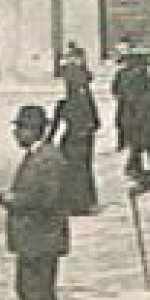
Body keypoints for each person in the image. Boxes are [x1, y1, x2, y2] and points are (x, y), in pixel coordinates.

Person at [0, 105, 70, 300]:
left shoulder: (48, 158)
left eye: (20, 128)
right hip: (33, 238)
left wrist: (14, 200)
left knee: (38, 292)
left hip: (42, 237)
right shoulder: (36, 155)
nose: (16, 134)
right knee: (30, 292)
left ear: (32, 130)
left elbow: (48, 199)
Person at [49, 70, 102, 215]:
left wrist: (48, 141)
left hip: (73, 141)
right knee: (82, 172)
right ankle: (84, 203)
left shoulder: (65, 104)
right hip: (81, 142)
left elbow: (54, 127)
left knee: (74, 172)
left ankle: (76, 204)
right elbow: (97, 123)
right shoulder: (84, 103)